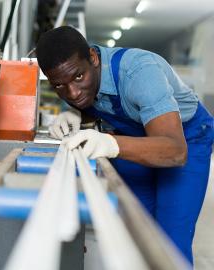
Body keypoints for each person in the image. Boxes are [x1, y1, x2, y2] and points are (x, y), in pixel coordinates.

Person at [36, 26, 214, 264]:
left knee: (170, 242)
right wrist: (78, 115)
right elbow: (89, 99)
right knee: (134, 226)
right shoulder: (79, 83)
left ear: (94, 58)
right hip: (133, 135)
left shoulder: (140, 73)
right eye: (59, 85)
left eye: (78, 77)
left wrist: (110, 144)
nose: (73, 92)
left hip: (185, 138)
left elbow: (175, 150)